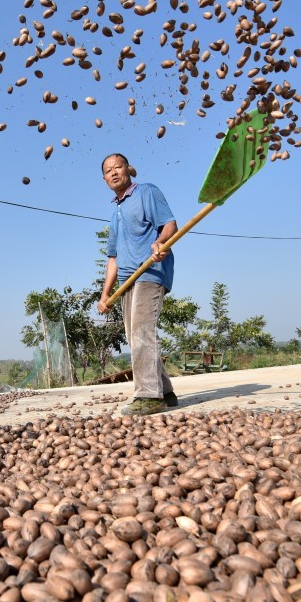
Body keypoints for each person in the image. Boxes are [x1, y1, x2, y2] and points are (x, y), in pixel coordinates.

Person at [96, 153, 178, 415]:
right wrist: (105, 294)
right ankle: (164, 390)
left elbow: (169, 225)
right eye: (108, 171)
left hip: (150, 272)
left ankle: (149, 396)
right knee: (135, 337)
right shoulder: (115, 214)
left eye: (118, 167)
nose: (113, 173)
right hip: (126, 281)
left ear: (128, 169)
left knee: (142, 331)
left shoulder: (146, 192)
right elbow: (113, 258)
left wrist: (160, 243)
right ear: (104, 178)